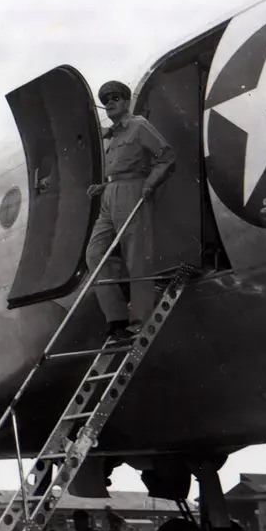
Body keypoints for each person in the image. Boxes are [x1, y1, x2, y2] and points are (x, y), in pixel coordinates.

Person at [86, 80, 175, 341]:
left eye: (116, 97)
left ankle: (139, 321)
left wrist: (149, 184)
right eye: (106, 99)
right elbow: (119, 169)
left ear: (126, 102)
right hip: (110, 195)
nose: (110, 102)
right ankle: (116, 318)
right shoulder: (113, 135)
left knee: (137, 258)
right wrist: (102, 187)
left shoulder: (138, 126)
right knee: (95, 253)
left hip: (133, 192)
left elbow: (167, 156)